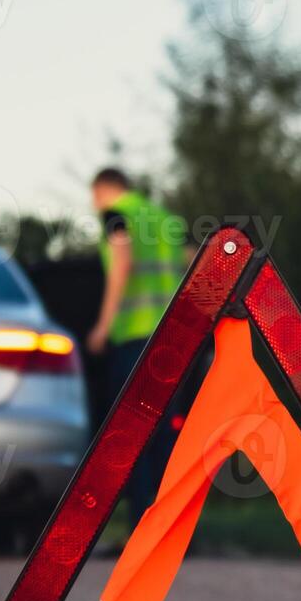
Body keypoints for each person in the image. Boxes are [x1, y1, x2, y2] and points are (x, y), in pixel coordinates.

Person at [87, 167, 189, 527]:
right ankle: (172, 528)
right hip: (176, 336)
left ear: (101, 190)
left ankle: (139, 530)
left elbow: (122, 263)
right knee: (166, 433)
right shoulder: (164, 218)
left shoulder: (116, 216)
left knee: (133, 433)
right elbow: (194, 258)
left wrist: (102, 326)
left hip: (134, 337)